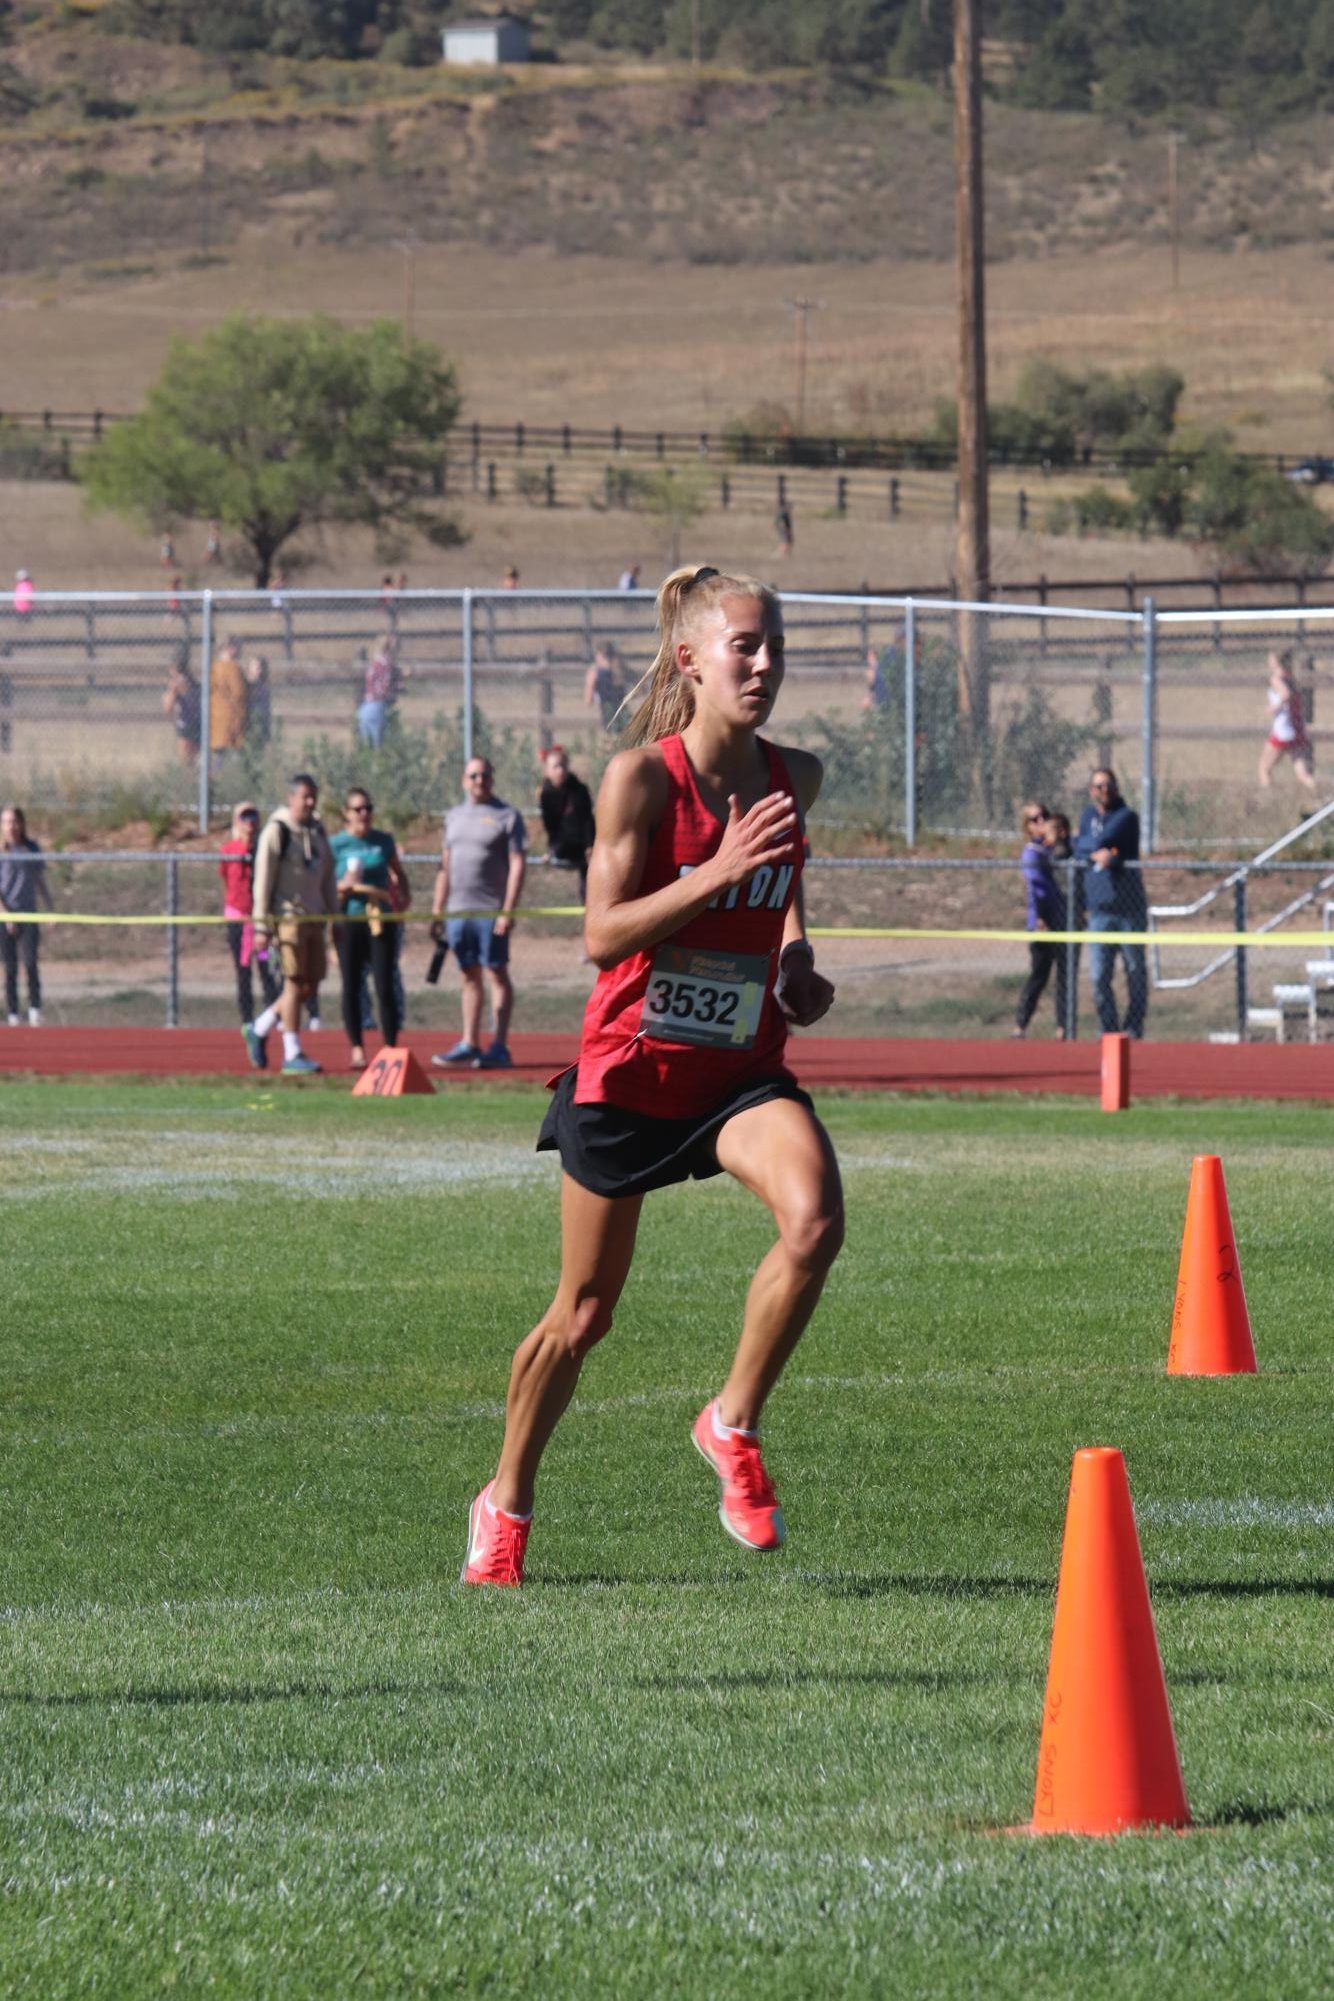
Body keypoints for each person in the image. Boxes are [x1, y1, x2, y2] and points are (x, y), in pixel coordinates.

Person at [460, 562, 842, 1589]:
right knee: (583, 1315)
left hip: (734, 1072)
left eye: (774, 647)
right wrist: (713, 871)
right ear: (692, 660)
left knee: (813, 1220)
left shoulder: (793, 776)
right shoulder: (638, 780)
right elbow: (598, 936)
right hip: (630, 1070)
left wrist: (794, 962)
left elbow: (783, 882)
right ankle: (505, 1499)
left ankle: (730, 1423)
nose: (763, 664)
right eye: (744, 647)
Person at [429, 756, 526, 1071]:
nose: (479, 780)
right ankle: (469, 1043)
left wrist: (507, 910)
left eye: (484, 775)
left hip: (490, 911)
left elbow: (517, 866)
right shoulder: (454, 817)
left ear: (492, 779)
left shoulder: (507, 816)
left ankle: (499, 1045)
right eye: (473, 775)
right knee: (468, 975)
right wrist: (437, 910)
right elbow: (445, 866)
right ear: (464, 780)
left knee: (496, 973)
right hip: (458, 912)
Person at [247, 773, 337, 1075]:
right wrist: (262, 925)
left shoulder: (319, 831)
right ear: (291, 798)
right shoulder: (277, 831)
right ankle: (292, 1052)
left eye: (313, 796)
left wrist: (334, 916)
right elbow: (262, 880)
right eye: (304, 797)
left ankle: (260, 1027)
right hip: (288, 917)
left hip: (315, 917)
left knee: (311, 983)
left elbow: (328, 877)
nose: (310, 802)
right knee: (294, 982)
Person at [330, 787, 410, 1071]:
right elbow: (324, 885)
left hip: (380, 920)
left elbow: (399, 876)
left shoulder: (383, 842)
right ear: (346, 814)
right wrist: (343, 885)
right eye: (357, 809)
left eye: (368, 808)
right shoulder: (336, 845)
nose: (364, 814)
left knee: (385, 984)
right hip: (349, 920)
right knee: (351, 985)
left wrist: (400, 900)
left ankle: (390, 1047)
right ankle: (357, 1049)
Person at [1074, 766, 1147, 1040]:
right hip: (1099, 911)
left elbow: (1106, 838)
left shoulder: (1126, 816)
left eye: (1108, 785)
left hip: (1129, 911)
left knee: (1134, 971)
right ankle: (1109, 1029)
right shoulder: (1088, 816)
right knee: (1098, 976)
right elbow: (1079, 844)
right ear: (1092, 790)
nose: (1104, 791)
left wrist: (1096, 849)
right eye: (1098, 786)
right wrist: (1094, 852)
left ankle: (1133, 1027)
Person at [218, 801, 280, 1043]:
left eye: (253, 816)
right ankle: (247, 1020)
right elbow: (226, 880)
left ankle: (272, 1017)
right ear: (236, 821)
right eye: (244, 817)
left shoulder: (263, 851)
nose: (249, 822)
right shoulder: (228, 850)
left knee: (266, 967)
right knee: (243, 972)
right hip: (238, 921)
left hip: (260, 924)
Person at [1013, 800, 1067, 1039]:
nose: (1042, 822)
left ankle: (1063, 1027)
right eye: (1035, 819)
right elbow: (1036, 889)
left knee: (1064, 976)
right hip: (1043, 922)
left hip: (1062, 919)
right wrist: (1041, 919)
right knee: (1039, 974)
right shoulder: (1032, 853)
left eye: (1045, 816)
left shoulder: (1054, 848)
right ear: (1028, 826)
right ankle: (1020, 1025)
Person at [1, 803, 52, 1027]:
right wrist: (6, 915)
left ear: (22, 824)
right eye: (6, 822)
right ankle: (12, 1013)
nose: (11, 826)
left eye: (14, 821)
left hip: (28, 913)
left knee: (30, 962)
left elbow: (40, 880)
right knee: (9, 967)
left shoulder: (31, 848)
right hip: (5, 914)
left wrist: (50, 909)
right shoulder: (2, 850)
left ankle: (34, 1010)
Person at [539, 744, 596, 900]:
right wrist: (550, 849)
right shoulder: (546, 794)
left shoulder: (579, 790)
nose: (561, 771)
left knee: (589, 884)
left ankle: (588, 902)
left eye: (563, 766)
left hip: (583, 842)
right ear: (547, 770)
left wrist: (589, 845)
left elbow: (587, 819)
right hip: (563, 845)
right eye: (556, 767)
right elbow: (550, 825)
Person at [1259, 649, 1317, 793]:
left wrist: (1274, 708)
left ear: (1276, 661)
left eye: (1271, 658)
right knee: (1302, 775)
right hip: (1297, 730)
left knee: (1264, 768)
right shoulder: (1291, 678)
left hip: (1283, 730)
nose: (1268, 660)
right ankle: (1319, 796)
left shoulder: (1276, 679)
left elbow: (1285, 695)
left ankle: (1269, 800)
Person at [208, 635, 248, 775]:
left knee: (218, 757)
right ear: (230, 649)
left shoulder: (214, 668)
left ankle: (214, 779)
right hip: (232, 720)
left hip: (216, 720)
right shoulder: (233, 668)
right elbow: (239, 693)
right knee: (235, 760)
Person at [357, 632, 403, 749]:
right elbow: (385, 687)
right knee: (378, 749)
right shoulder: (385, 664)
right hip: (377, 707)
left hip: (366, 706)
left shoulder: (375, 663)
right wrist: (398, 689)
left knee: (366, 747)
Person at [162, 645, 201, 768]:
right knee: (191, 761)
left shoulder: (178, 683)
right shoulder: (185, 682)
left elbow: (167, 709)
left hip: (188, 725)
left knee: (187, 762)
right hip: (192, 724)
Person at [585, 642, 628, 731]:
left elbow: (589, 690)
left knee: (612, 730)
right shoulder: (619, 668)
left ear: (600, 655)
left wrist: (589, 699)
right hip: (621, 705)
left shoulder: (596, 671)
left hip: (608, 706)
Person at [244, 655, 272, 749]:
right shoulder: (242, 686)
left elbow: (265, 712)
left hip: (257, 727)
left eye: (259, 667)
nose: (257, 669)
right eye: (254, 666)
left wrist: (266, 734)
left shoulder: (263, 689)